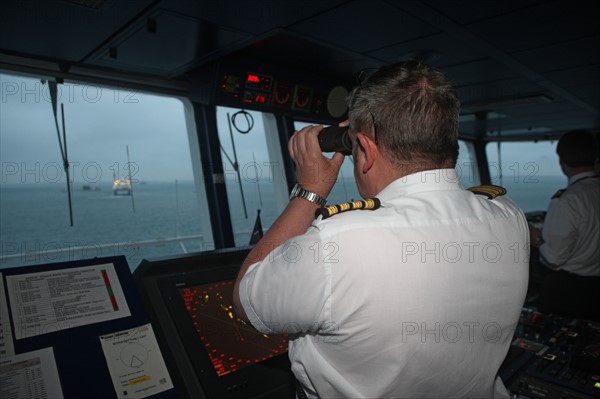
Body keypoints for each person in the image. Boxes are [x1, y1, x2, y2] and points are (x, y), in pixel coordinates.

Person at [233, 61, 529, 398]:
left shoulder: (338, 244)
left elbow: (247, 300)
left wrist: (310, 190)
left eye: (356, 146)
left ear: (367, 152)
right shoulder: (508, 217)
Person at [529, 130, 600, 320]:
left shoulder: (567, 200)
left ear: (562, 162)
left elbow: (553, 257)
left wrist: (534, 236)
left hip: (569, 291)